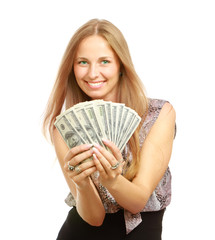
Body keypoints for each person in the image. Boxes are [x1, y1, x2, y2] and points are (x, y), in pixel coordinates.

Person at [42, 18, 176, 240]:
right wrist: (82, 184)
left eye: (104, 61)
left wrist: (112, 180)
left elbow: (138, 200)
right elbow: (94, 218)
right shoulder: (64, 128)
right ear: (72, 68)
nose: (93, 73)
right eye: (82, 62)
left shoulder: (159, 114)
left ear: (121, 65)